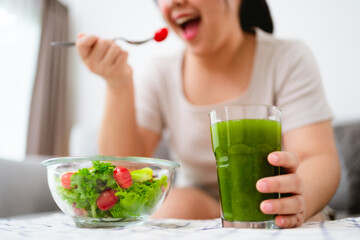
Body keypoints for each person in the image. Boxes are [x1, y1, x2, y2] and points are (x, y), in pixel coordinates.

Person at [76, 0, 340, 228]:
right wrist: (117, 83)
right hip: (198, 202)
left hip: (274, 204)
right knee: (172, 208)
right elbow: (124, 172)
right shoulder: (160, 73)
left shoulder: (287, 58)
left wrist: (300, 199)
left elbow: (316, 156)